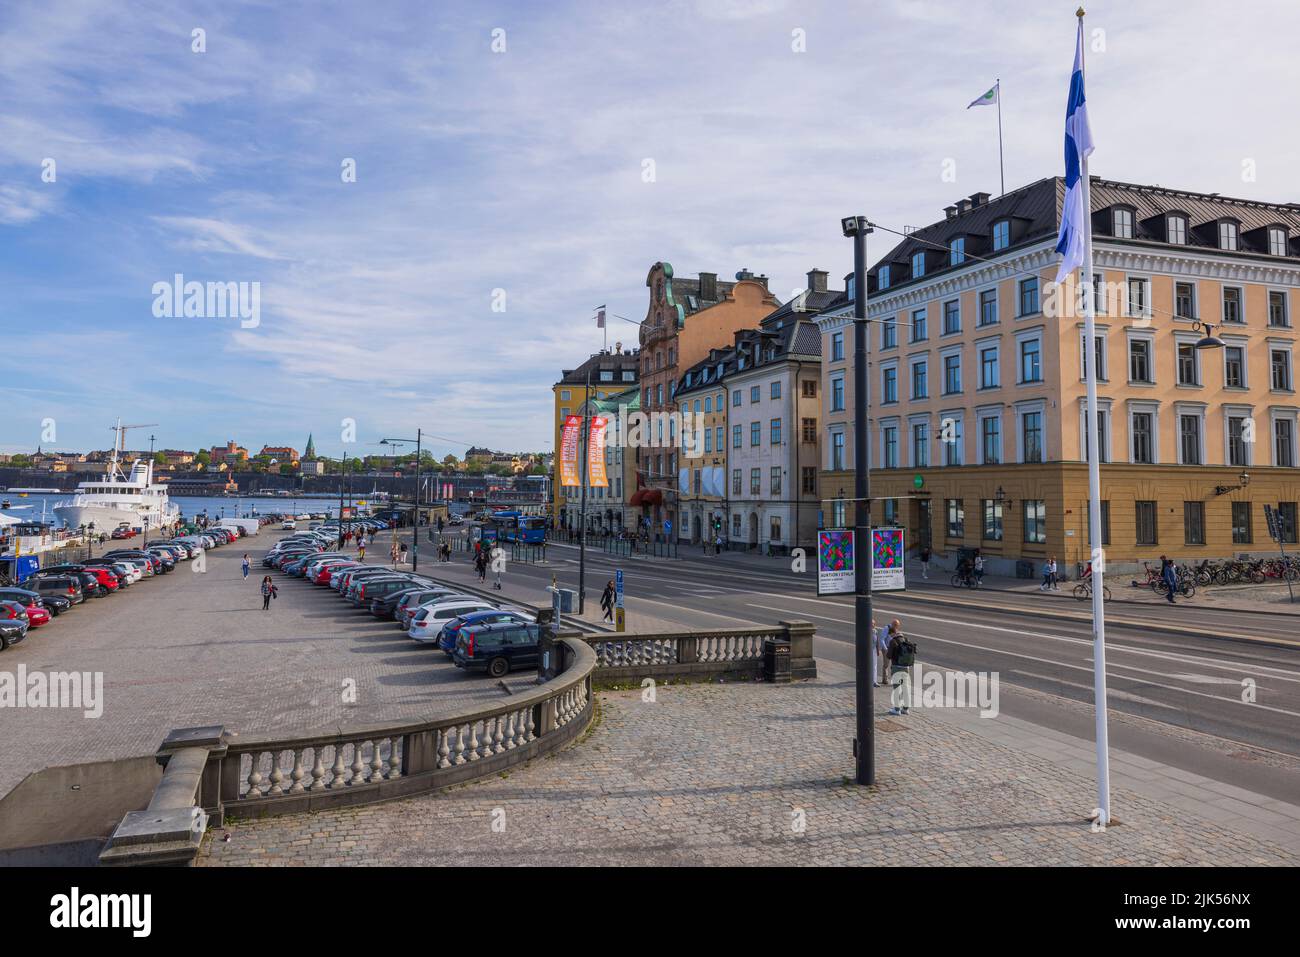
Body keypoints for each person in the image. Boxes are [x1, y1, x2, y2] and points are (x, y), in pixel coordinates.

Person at [885, 622, 914, 716]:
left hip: (897, 667)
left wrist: (888, 651)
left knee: (897, 688)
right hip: (906, 667)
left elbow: (888, 656)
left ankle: (896, 709)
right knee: (905, 688)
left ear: (891, 634)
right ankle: (906, 708)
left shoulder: (893, 641)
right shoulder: (905, 639)